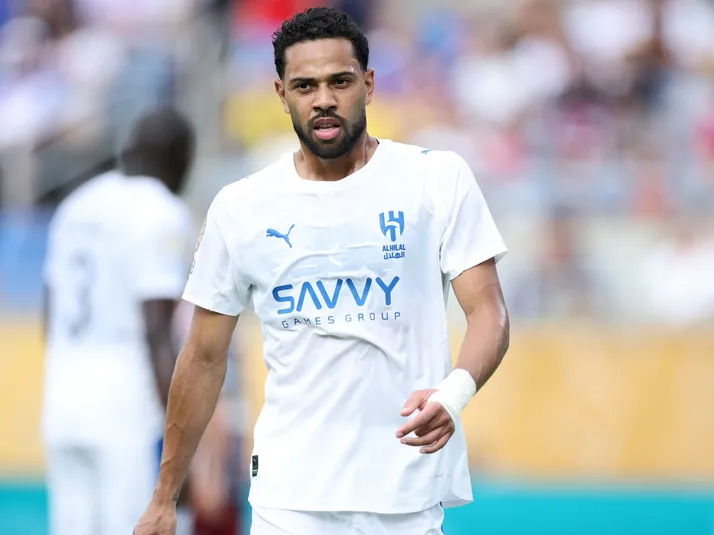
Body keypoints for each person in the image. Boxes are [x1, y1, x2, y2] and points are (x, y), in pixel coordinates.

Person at [135, 7, 510, 535]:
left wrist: (454, 394)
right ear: (281, 94)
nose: (324, 99)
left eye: (340, 81)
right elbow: (202, 357)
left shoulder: (436, 179)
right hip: (289, 499)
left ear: (369, 84)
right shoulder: (242, 207)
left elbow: (489, 311)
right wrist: (164, 497)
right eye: (305, 86)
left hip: (404, 493)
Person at [42, 106, 196, 535]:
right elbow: (156, 331)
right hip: (124, 406)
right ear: (178, 157)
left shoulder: (77, 203)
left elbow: (49, 315)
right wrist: (182, 443)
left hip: (62, 395)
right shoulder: (159, 209)